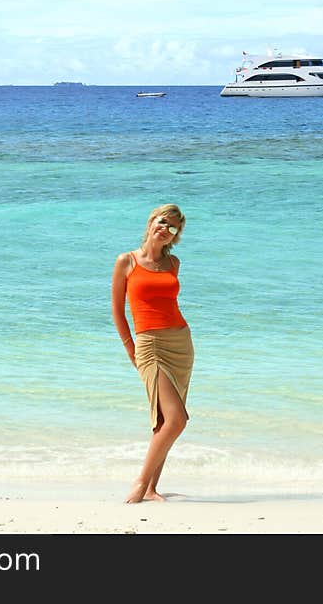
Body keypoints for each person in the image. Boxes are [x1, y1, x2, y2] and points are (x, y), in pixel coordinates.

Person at [111, 204, 193, 503]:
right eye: (163, 222)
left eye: (173, 228)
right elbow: (118, 313)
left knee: (164, 420)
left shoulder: (174, 265)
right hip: (150, 346)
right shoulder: (126, 261)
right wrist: (131, 350)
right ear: (151, 222)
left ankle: (151, 488)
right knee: (177, 419)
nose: (166, 229)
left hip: (180, 343)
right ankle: (140, 483)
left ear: (174, 237)